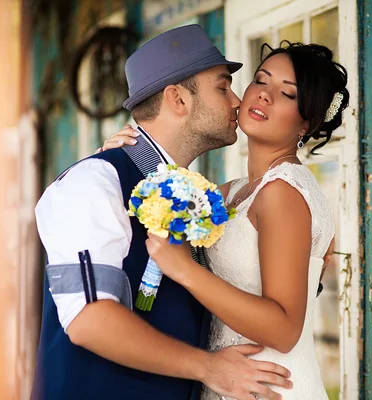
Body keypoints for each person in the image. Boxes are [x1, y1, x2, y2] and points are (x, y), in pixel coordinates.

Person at [32, 25, 293, 400]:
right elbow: (89, 320)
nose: (237, 101)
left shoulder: (192, 195)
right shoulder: (95, 182)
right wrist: (210, 368)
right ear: (178, 100)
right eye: (222, 87)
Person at [103, 41, 349, 399]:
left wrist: (185, 269)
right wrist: (120, 160)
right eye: (261, 81)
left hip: (272, 385)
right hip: (229, 380)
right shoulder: (230, 193)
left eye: (287, 94)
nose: (265, 96)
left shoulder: (284, 193)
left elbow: (284, 329)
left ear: (306, 123)